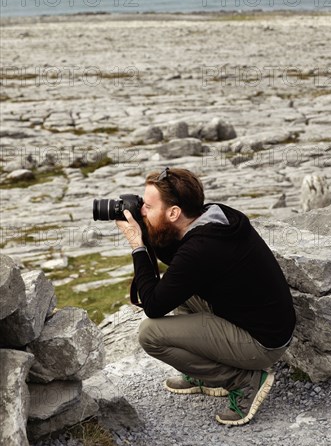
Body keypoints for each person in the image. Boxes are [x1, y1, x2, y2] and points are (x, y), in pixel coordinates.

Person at [116, 167, 296, 426]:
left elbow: (154, 306)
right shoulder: (215, 216)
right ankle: (203, 374)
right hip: (266, 322)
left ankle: (244, 381)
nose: (141, 210)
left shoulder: (201, 248)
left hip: (261, 343)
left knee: (150, 334)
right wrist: (149, 228)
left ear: (174, 212)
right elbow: (176, 257)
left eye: (147, 206)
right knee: (176, 290)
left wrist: (137, 243)